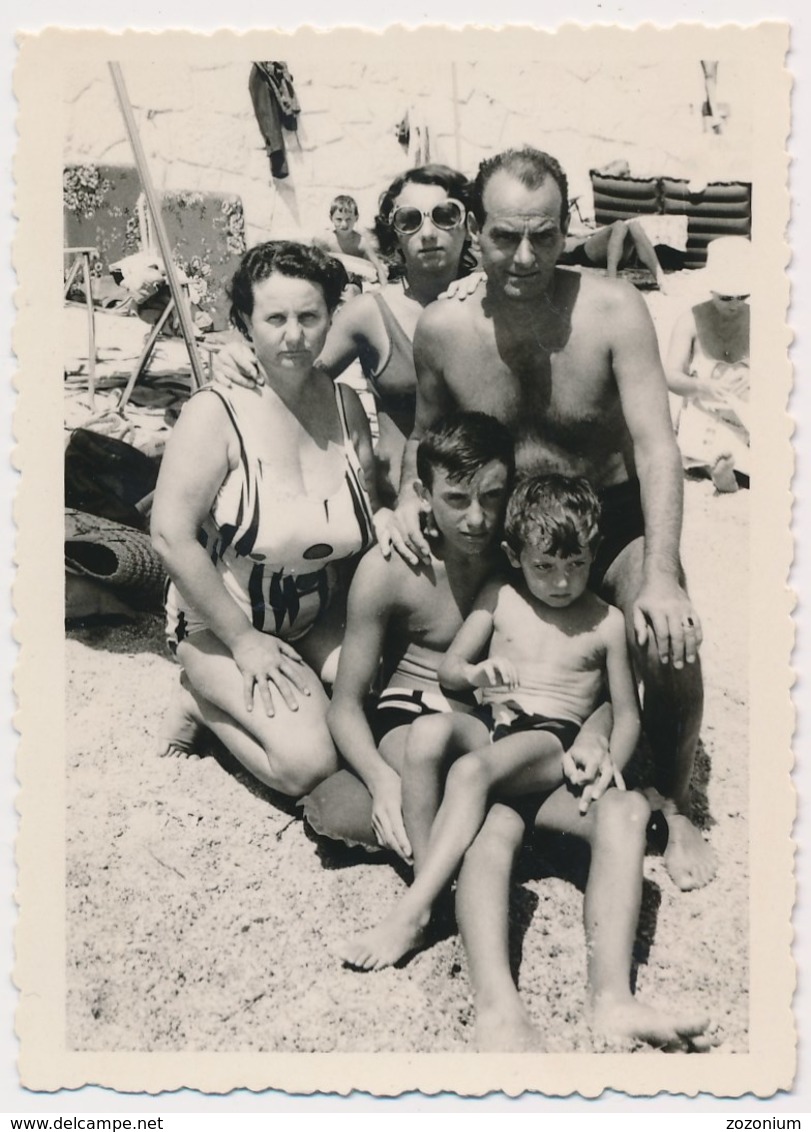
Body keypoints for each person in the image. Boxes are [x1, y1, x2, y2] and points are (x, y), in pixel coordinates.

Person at [389, 146, 713, 892]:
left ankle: (671, 794)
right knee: (441, 620)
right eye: (505, 235)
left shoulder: (611, 308)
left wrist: (660, 575)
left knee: (667, 640)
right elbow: (426, 438)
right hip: (513, 533)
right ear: (474, 230)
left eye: (542, 234)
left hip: (611, 521)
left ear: (568, 225)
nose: (524, 255)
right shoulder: (443, 328)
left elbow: (656, 446)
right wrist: (409, 495)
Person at [336, 472, 641, 973]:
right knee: (430, 732)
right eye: (544, 566)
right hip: (493, 720)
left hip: (551, 738)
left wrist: (610, 758)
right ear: (515, 554)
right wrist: (477, 671)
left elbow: (626, 712)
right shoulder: (503, 594)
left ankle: (413, 911)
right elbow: (450, 671)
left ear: (595, 552)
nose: (561, 581)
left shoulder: (606, 622)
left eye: (576, 564)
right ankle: (428, 867)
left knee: (471, 772)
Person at [151, 242, 378, 798]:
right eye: (274, 318)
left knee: (385, 702)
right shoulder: (216, 411)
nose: (293, 335)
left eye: (309, 316)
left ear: (331, 318)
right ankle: (198, 703)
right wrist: (245, 641)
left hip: (319, 617)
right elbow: (169, 536)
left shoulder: (348, 408)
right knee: (312, 765)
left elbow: (371, 512)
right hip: (221, 628)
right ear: (245, 325)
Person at [213, 164, 476, 506]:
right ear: (394, 233)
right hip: (398, 502)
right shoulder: (368, 313)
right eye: (410, 220)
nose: (427, 233)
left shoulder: (490, 303)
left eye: (444, 215)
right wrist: (239, 356)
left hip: (480, 509)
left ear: (469, 225)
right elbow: (297, 376)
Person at [665, 235, 751, 493]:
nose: (735, 305)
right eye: (726, 298)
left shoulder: (760, 320)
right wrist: (702, 386)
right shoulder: (690, 320)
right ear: (711, 289)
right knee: (701, 444)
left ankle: (732, 470)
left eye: (742, 296)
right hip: (704, 407)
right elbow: (669, 375)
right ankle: (721, 473)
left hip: (745, 411)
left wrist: (756, 376)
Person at [560, 217, 671, 293]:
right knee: (619, 225)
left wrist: (590, 231)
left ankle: (660, 278)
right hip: (583, 253)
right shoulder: (558, 218)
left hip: (609, 250)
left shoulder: (574, 213)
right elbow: (577, 233)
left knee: (634, 225)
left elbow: (584, 232)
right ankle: (612, 280)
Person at [312, 194, 388, 288]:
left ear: (356, 218)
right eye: (339, 219)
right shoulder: (325, 240)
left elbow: (378, 267)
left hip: (355, 282)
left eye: (348, 219)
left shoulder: (360, 242)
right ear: (331, 218)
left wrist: (385, 288)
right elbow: (311, 260)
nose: (344, 224)